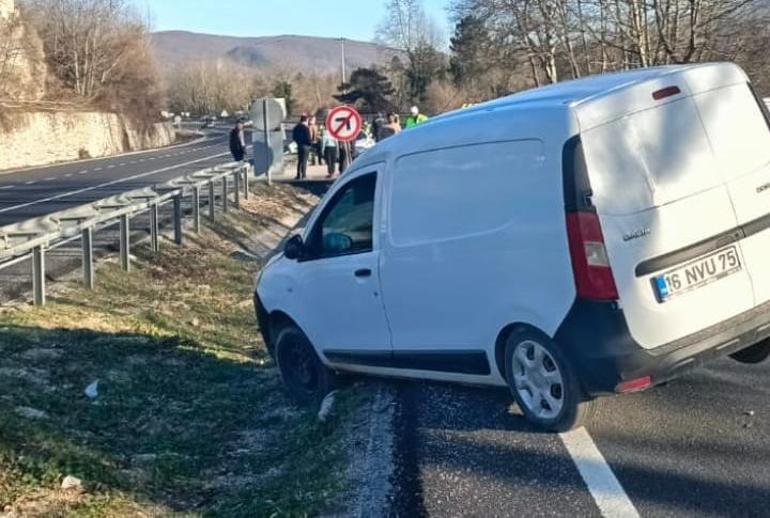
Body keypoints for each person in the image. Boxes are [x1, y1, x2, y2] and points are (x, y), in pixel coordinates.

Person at [292, 114, 312, 180]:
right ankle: (304, 175)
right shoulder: (306, 128)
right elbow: (308, 138)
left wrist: (298, 142)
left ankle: (298, 175)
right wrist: (310, 143)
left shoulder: (296, 127)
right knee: (304, 160)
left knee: (300, 160)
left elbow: (294, 137)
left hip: (299, 145)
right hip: (305, 146)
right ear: (306, 120)